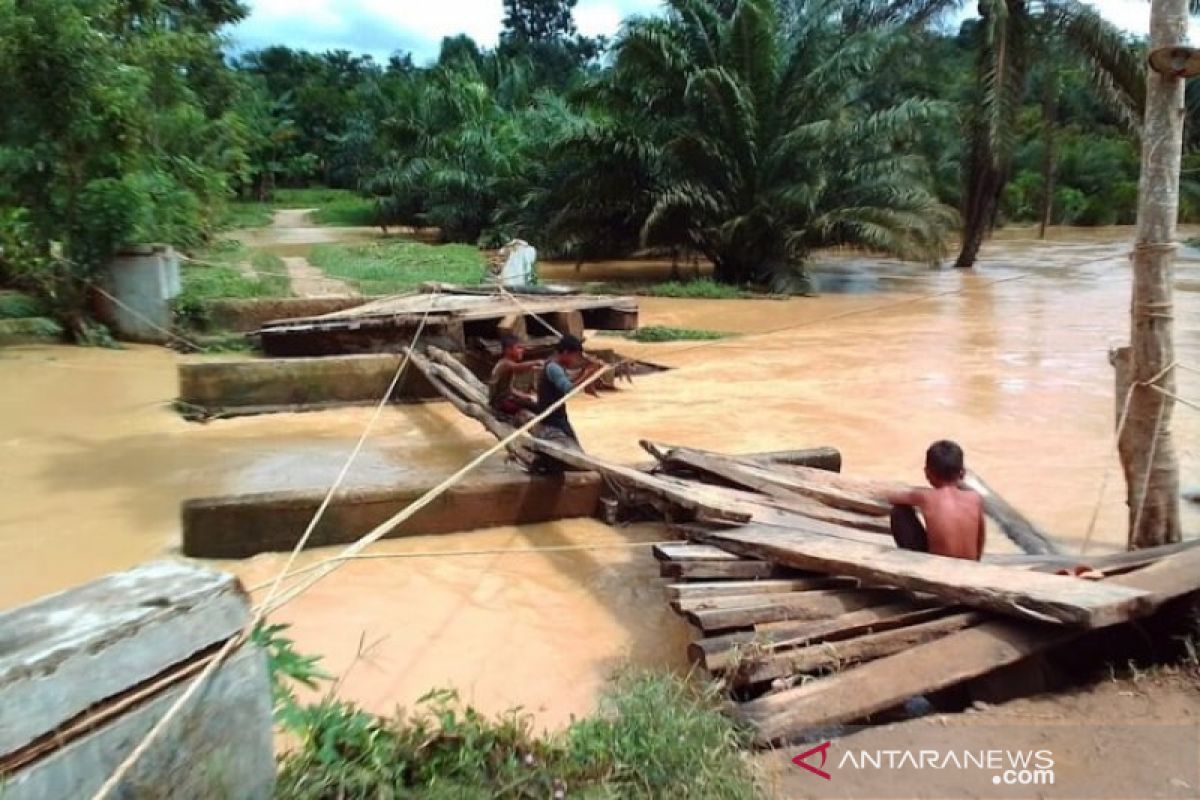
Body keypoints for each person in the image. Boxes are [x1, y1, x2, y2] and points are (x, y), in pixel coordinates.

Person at [883, 440, 985, 560]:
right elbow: (980, 538)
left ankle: (916, 564)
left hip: (939, 568)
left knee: (899, 511)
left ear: (927, 473)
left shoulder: (925, 497)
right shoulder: (975, 498)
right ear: (962, 473)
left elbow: (891, 497)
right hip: (970, 567)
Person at [534, 334, 601, 446]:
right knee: (574, 445)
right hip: (553, 419)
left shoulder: (555, 364)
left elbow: (567, 381)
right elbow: (568, 388)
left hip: (556, 416)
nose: (575, 360)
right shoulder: (554, 367)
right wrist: (587, 373)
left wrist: (584, 371)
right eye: (574, 356)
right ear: (565, 352)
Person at [489, 335, 542, 418]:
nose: (522, 350)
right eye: (518, 348)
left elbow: (509, 389)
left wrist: (526, 396)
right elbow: (518, 367)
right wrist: (537, 362)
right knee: (536, 407)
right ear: (508, 350)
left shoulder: (506, 364)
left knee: (532, 401)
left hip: (502, 400)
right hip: (500, 403)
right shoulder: (505, 363)